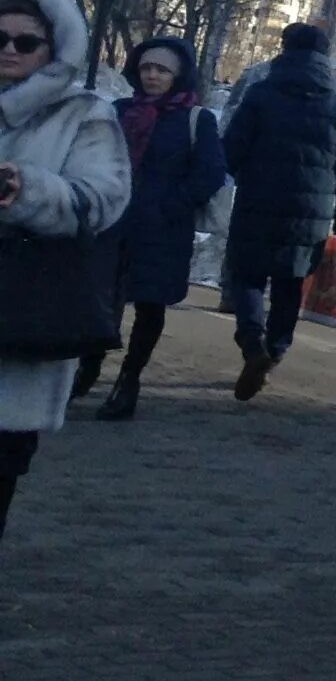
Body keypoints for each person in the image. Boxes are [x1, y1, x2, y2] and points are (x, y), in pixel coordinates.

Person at [0, 0, 130, 552]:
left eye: (26, 42)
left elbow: (101, 199)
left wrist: (24, 190)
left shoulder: (84, 114)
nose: (9, 50)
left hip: (20, 317)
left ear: (54, 50)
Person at [87, 38, 228, 421]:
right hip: (113, 224)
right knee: (101, 298)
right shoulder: (119, 111)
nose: (152, 75)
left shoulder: (196, 119)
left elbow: (211, 173)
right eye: (147, 67)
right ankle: (88, 366)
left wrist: (171, 205)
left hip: (164, 229)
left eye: (162, 69)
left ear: (178, 75)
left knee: (149, 307)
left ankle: (128, 382)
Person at [220, 23, 336, 401]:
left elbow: (232, 148)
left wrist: (219, 179)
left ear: (285, 49)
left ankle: (252, 344)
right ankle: (277, 349)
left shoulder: (262, 93)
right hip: (311, 210)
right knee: (289, 282)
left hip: (258, 200)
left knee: (247, 275)